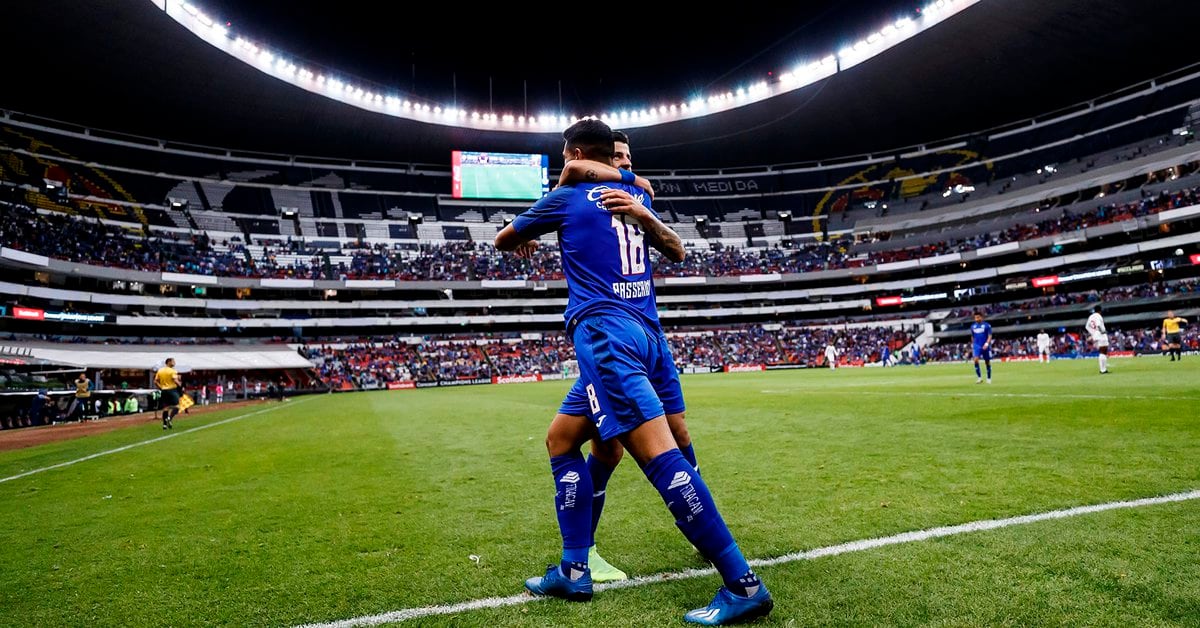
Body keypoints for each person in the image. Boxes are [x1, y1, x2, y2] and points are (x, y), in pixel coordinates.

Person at [496, 119, 771, 625]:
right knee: (562, 438)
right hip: (645, 334)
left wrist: (544, 208)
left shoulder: (574, 196)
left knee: (659, 457)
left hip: (607, 337)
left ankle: (742, 583)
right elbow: (601, 177)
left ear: (574, 152)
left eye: (566, 157)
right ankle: (574, 567)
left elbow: (503, 238)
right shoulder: (629, 192)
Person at [542, 129, 692, 584]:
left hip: (638, 339)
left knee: (635, 441)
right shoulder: (585, 194)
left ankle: (581, 559)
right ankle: (584, 553)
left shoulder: (632, 201)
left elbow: (677, 250)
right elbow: (569, 181)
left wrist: (644, 208)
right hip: (609, 343)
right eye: (615, 160)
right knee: (589, 443)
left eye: (627, 160)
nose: (620, 167)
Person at [154, 357, 183, 429]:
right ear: (169, 362)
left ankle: (164, 425)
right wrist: (180, 384)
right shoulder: (173, 371)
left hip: (163, 390)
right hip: (172, 390)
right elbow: (175, 380)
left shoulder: (160, 370)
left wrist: (160, 387)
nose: (174, 363)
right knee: (177, 406)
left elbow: (155, 381)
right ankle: (169, 418)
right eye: (173, 361)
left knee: (165, 407)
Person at [1086, 305, 1110, 374]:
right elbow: (1099, 324)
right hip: (1101, 335)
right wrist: (1102, 331)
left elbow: (1087, 326)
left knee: (1102, 352)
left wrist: (1093, 333)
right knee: (1103, 351)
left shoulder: (1091, 317)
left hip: (1096, 335)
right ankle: (1103, 370)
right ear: (1100, 310)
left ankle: (1103, 369)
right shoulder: (1098, 316)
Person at [970, 312, 993, 383]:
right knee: (976, 360)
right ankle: (979, 378)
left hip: (985, 345)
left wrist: (987, 343)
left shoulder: (987, 325)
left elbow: (990, 336)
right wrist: (973, 344)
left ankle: (989, 378)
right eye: (975, 318)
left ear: (981, 317)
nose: (976, 319)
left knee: (987, 362)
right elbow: (972, 336)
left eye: (978, 317)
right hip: (977, 346)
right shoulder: (972, 326)